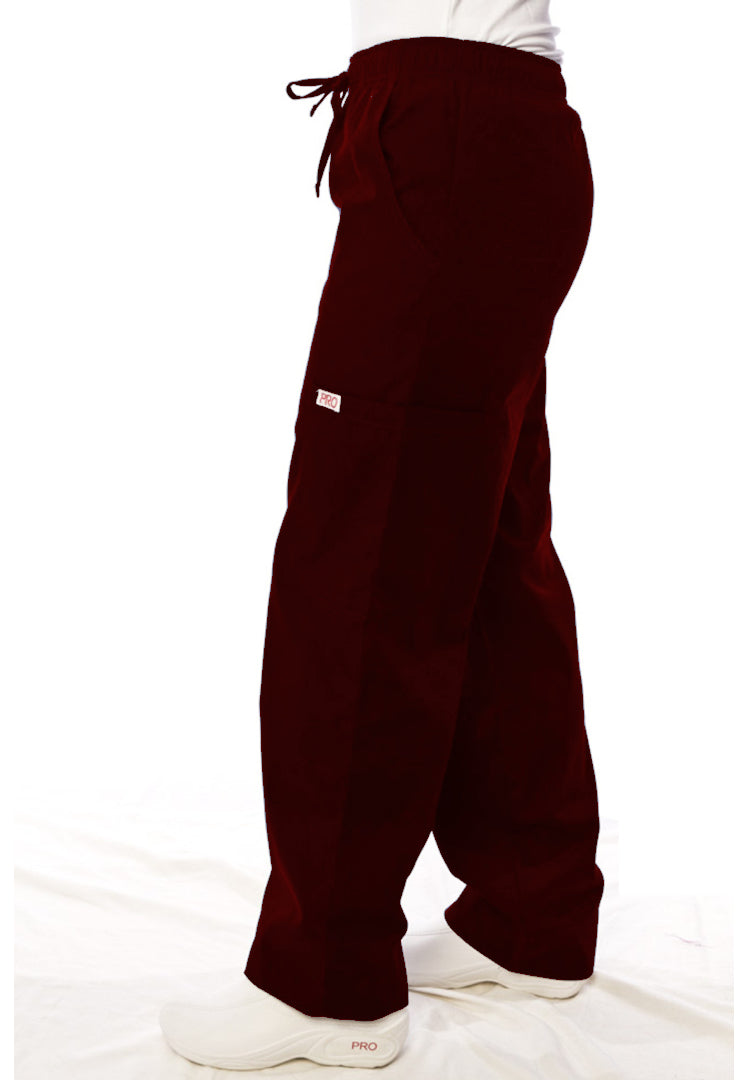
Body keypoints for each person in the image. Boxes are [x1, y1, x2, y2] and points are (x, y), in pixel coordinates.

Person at [159, 1, 605, 1069]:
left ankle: (328, 985)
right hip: (482, 128)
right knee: (486, 547)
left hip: (452, 130)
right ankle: (530, 913)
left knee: (362, 558)